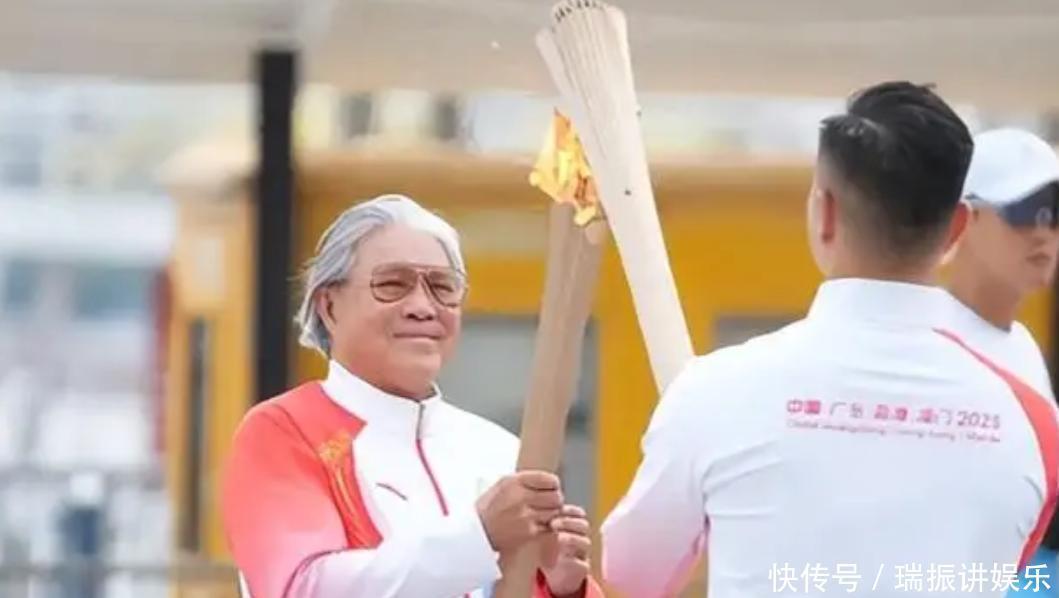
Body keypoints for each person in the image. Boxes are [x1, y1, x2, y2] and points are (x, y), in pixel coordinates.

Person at [600, 82, 1059, 597]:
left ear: (826, 213)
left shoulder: (714, 392)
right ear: (957, 229)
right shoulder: (1034, 424)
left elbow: (631, 574)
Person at [221, 194, 602, 598]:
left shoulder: (502, 453)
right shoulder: (286, 431)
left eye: (442, 287)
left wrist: (562, 587)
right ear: (329, 307)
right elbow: (303, 588)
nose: (423, 307)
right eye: (392, 285)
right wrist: (478, 536)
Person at [942, 127, 1059, 595]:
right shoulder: (927, 342)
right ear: (964, 220)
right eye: (1023, 210)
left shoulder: (1022, 347)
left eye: (1055, 213)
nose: (1043, 233)